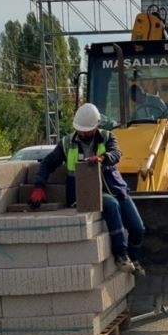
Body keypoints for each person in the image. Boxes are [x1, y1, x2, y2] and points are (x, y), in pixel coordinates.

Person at [30, 103, 144, 274]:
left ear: (96, 126)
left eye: (87, 131)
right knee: (112, 205)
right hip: (82, 193)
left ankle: (134, 257)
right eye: (80, 130)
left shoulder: (107, 137)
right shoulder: (67, 143)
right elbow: (47, 163)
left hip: (113, 188)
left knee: (138, 228)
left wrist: (102, 158)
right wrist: (39, 186)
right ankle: (121, 256)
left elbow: (116, 154)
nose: (83, 134)